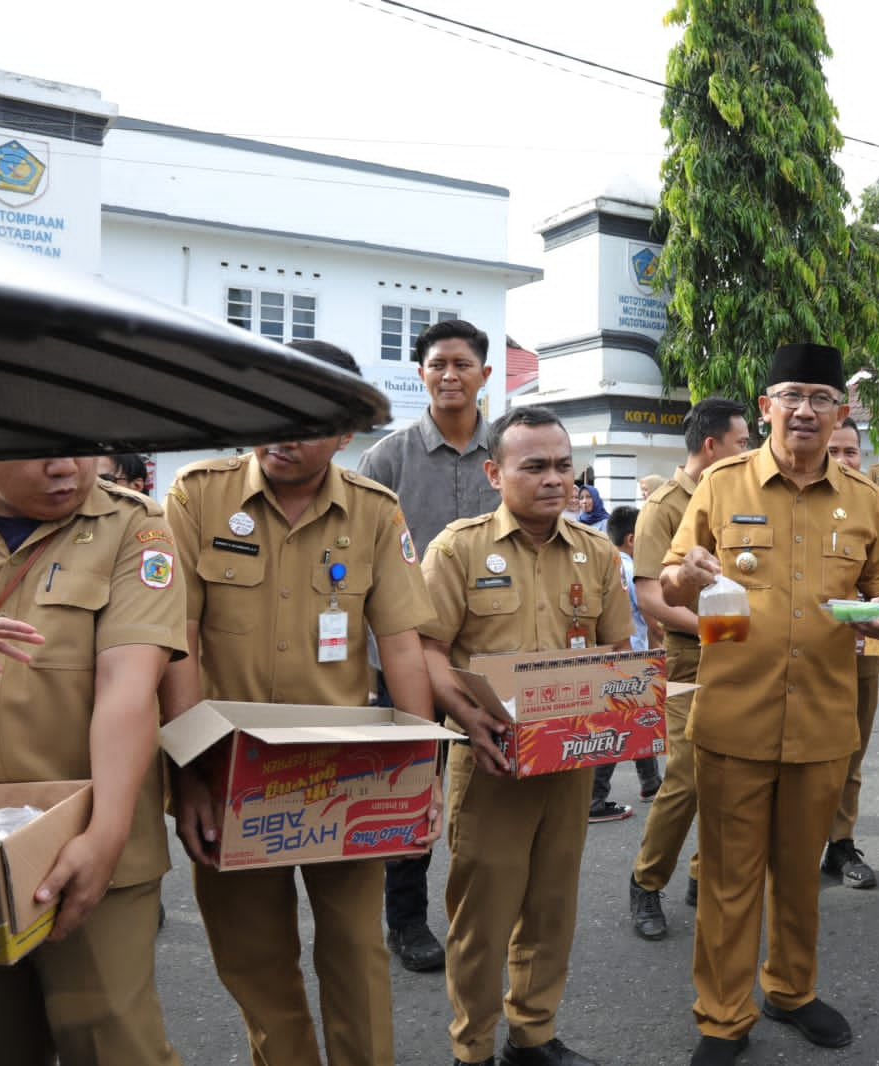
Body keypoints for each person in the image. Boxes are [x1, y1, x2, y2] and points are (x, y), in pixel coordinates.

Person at [160, 339, 441, 1066]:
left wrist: (419, 777)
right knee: (255, 960)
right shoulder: (198, 495)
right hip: (228, 775)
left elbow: (403, 647)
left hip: (345, 774)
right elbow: (177, 639)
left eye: (308, 418)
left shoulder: (376, 512)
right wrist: (188, 773)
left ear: (347, 433)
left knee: (355, 947)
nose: (282, 431)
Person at [660, 343, 879, 1066]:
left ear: (840, 412)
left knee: (799, 872)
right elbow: (670, 578)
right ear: (765, 406)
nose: (803, 409)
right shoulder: (721, 485)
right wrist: (688, 573)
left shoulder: (864, 500)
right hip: (734, 716)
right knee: (730, 879)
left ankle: (790, 990)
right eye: (789, 395)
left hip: (824, 719)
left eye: (819, 398)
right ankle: (722, 1015)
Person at [0, 460, 187, 1065]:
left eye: (82, 445)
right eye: (38, 447)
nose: (65, 466)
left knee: (111, 1039)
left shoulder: (135, 526)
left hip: (88, 841)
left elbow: (128, 685)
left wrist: (105, 836)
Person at [420, 406, 632, 1066]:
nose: (553, 480)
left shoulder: (595, 552)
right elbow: (426, 648)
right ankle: (472, 1047)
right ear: (494, 472)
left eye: (563, 466)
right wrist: (467, 716)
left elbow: (618, 650)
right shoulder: (458, 547)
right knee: (481, 919)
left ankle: (533, 1035)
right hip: (490, 765)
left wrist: (624, 714)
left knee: (551, 907)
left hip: (569, 765)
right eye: (533, 466)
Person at [356, 317, 500, 973]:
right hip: (408, 655)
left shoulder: (510, 448)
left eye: (461, 364)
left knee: (496, 788)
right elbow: (357, 564)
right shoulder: (387, 458)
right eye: (437, 364)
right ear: (420, 374)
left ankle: (489, 911)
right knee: (411, 786)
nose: (449, 375)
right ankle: (406, 920)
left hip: (491, 652)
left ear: (484, 375)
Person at [628, 397, 751, 941]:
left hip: (740, 651)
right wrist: (711, 627)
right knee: (685, 774)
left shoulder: (734, 493)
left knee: (731, 768)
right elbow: (651, 597)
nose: (747, 450)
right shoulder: (664, 506)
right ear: (712, 445)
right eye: (741, 441)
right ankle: (646, 880)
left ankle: (705, 875)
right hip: (691, 653)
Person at [818, 417, 879, 889]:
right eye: (835, 451)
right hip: (794, 656)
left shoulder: (868, 500)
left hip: (857, 651)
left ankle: (840, 844)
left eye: (852, 451)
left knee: (851, 751)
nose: (845, 461)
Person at [589, 503, 663, 823]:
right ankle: (594, 797)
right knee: (620, 724)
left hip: (614, 655)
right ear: (633, 539)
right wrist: (661, 644)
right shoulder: (632, 569)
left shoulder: (610, 562)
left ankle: (650, 783)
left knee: (639, 719)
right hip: (632, 655)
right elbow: (650, 615)